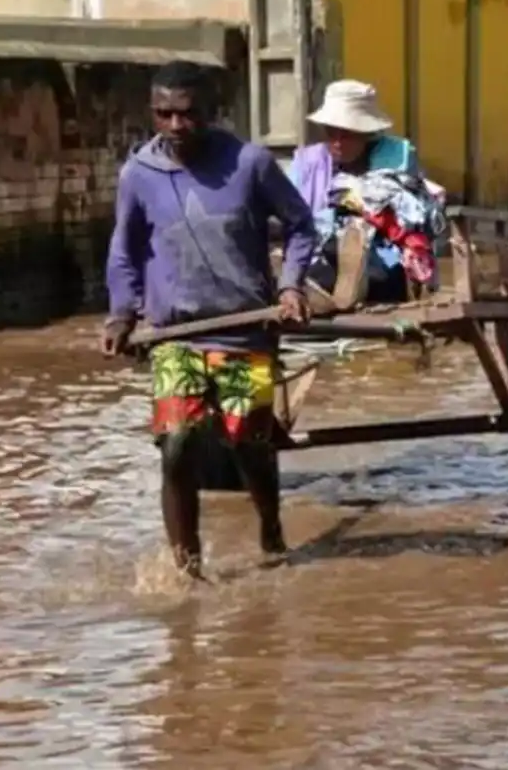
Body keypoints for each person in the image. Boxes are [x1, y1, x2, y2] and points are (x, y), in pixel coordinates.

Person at [100, 61, 317, 580]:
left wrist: (290, 285)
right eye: (164, 114)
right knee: (176, 442)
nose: (176, 126)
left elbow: (301, 225)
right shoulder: (138, 175)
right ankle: (186, 567)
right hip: (176, 336)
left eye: (188, 114)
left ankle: (269, 526)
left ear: (211, 112)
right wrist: (121, 313)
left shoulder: (250, 164)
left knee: (248, 440)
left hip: (245, 331)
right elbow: (123, 252)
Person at [288, 80, 444, 307]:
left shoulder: (396, 159)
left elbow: (417, 213)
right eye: (332, 133)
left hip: (385, 261)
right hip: (320, 256)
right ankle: (335, 287)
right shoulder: (307, 163)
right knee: (319, 258)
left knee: (369, 264)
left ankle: (350, 282)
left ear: (366, 133)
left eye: (347, 135)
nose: (338, 143)